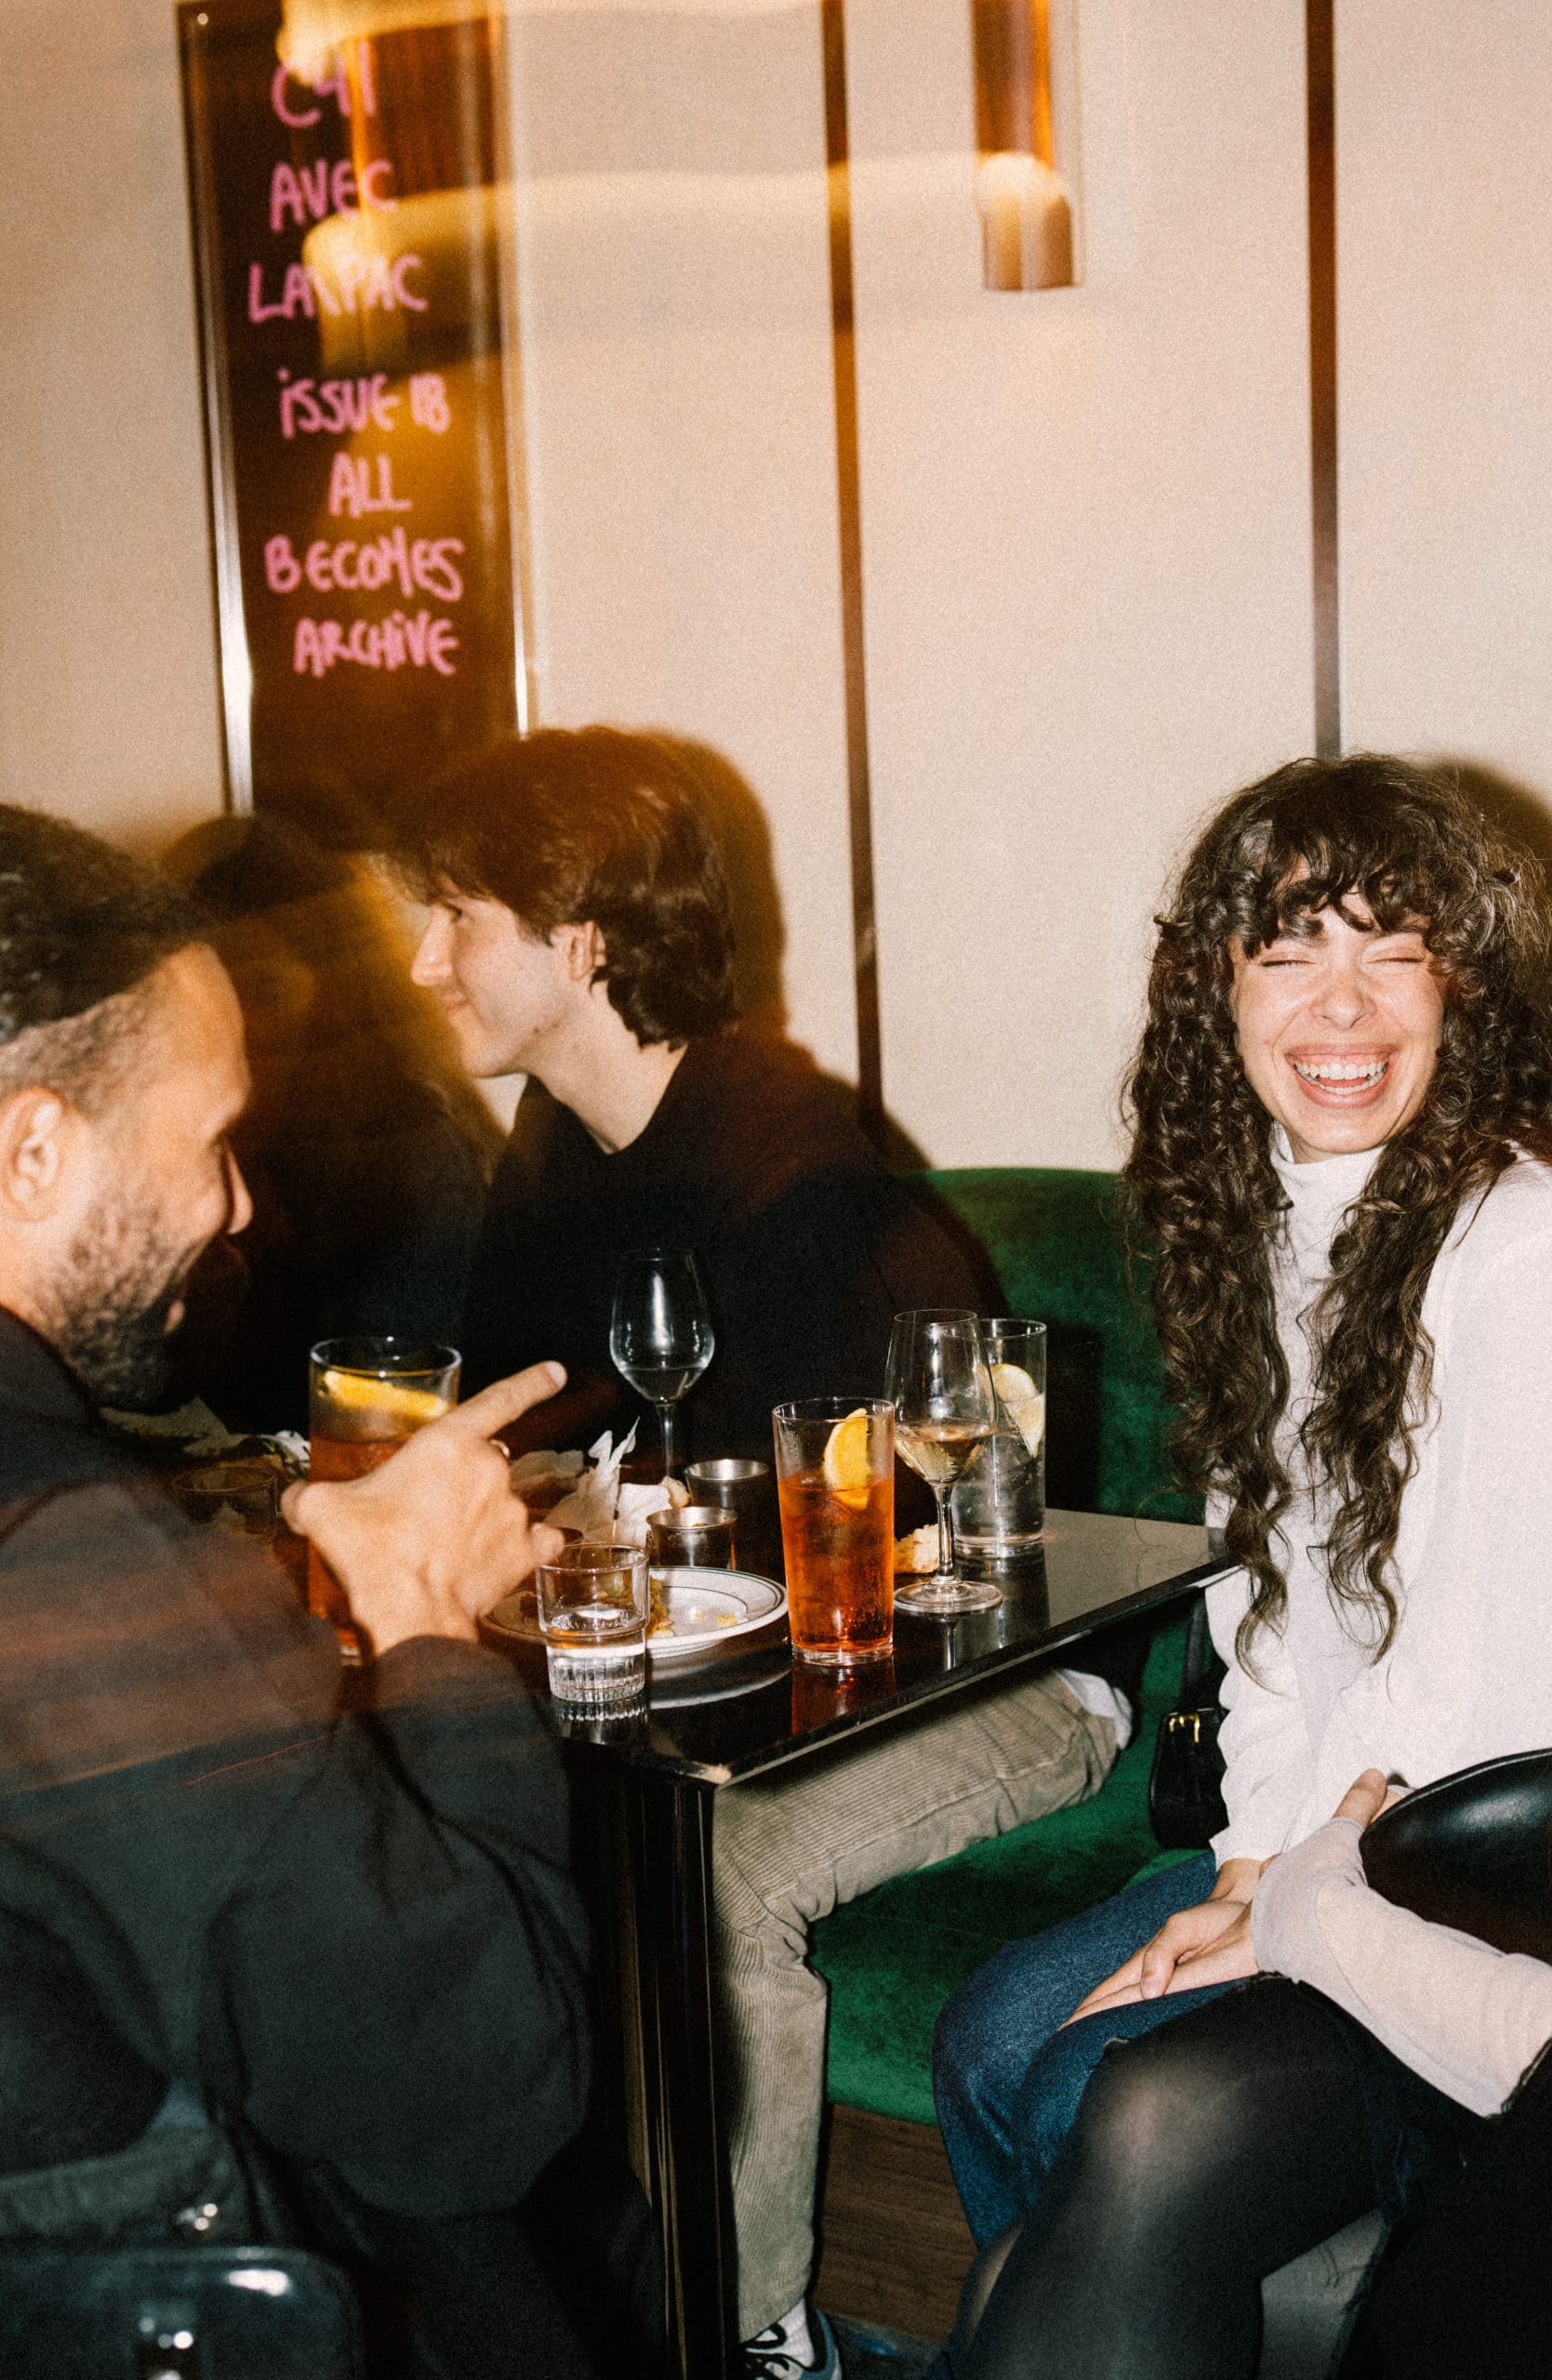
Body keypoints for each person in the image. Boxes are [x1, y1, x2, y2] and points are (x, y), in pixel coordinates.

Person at [386, 725, 1133, 2380]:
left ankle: (749, 2331)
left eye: (457, 915)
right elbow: (527, 1438)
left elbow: (911, 1551)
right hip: (720, 1679)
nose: (426, 961)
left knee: (711, 1882)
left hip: (988, 1677)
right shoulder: (556, 1146)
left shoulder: (796, 1177)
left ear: (581, 939)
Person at [934, 751, 1552, 2254]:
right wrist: (1241, 1864)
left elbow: (1479, 1696)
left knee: (1096, 2091)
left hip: (1489, 1877)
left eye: (1393, 953)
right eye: (1288, 952)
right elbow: (1273, 1620)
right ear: (1217, 992)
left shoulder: (1526, 1249)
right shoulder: (1260, 1234)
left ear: (1460, 994)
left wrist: (1279, 1907)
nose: (1340, 1010)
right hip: (1328, 1838)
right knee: (987, 2040)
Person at [0, 803, 602, 2374]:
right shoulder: (76, 1574)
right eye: (210, 1141)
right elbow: (483, 2096)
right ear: (35, 1153)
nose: (238, 1208)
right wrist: (429, 1626)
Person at [944, 1765, 1552, 2379]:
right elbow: (1277, 1699)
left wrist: (1315, 1912)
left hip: (1471, 1892)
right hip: (1330, 1855)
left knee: (1101, 2108)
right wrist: (1249, 1874)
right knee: (988, 2051)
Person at [162, 813, 502, 1431]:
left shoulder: (413, 1156)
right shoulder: (191, 1137)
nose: (236, 1025)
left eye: (262, 991)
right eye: (208, 993)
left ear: (340, 994)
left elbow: (385, 1414)